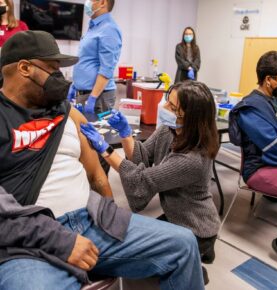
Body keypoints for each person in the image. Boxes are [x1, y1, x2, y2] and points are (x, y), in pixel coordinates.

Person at [0, 30, 204, 290]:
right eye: (52, 69)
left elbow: (97, 175)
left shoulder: (66, 112)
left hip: (91, 221)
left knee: (184, 243)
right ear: (25, 68)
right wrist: (61, 241)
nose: (60, 78)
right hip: (28, 241)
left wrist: (111, 214)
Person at [80, 80, 221, 282]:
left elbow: (142, 180)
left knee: (143, 260)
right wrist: (126, 134)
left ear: (190, 117)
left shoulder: (192, 160)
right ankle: (188, 264)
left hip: (196, 227)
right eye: (167, 101)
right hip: (176, 216)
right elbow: (142, 157)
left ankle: (191, 263)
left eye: (172, 107)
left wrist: (105, 149)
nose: (164, 108)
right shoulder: (170, 131)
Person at [229, 51, 277, 263]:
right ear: (268, 80)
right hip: (260, 169)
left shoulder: (276, 100)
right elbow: (276, 149)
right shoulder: (251, 109)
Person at [70, 0, 122, 114]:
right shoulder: (94, 27)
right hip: (85, 94)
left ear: (102, 2)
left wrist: (93, 97)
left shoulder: (109, 29)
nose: (87, 2)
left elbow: (107, 68)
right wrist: (75, 85)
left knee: (96, 132)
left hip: (97, 96)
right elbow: (87, 60)